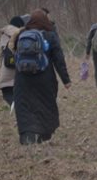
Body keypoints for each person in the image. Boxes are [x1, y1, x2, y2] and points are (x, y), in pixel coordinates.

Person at [11, 9, 71, 145]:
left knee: (24, 106)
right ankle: (44, 133)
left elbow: (14, 54)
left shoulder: (21, 34)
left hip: (23, 79)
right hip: (45, 78)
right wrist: (66, 80)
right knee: (45, 105)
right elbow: (59, 59)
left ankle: (27, 135)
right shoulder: (51, 35)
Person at [0, 16, 25, 106]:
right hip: (20, 64)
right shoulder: (22, 33)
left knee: (6, 88)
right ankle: (18, 104)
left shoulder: (4, 34)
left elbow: (2, 50)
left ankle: (14, 104)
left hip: (7, 63)